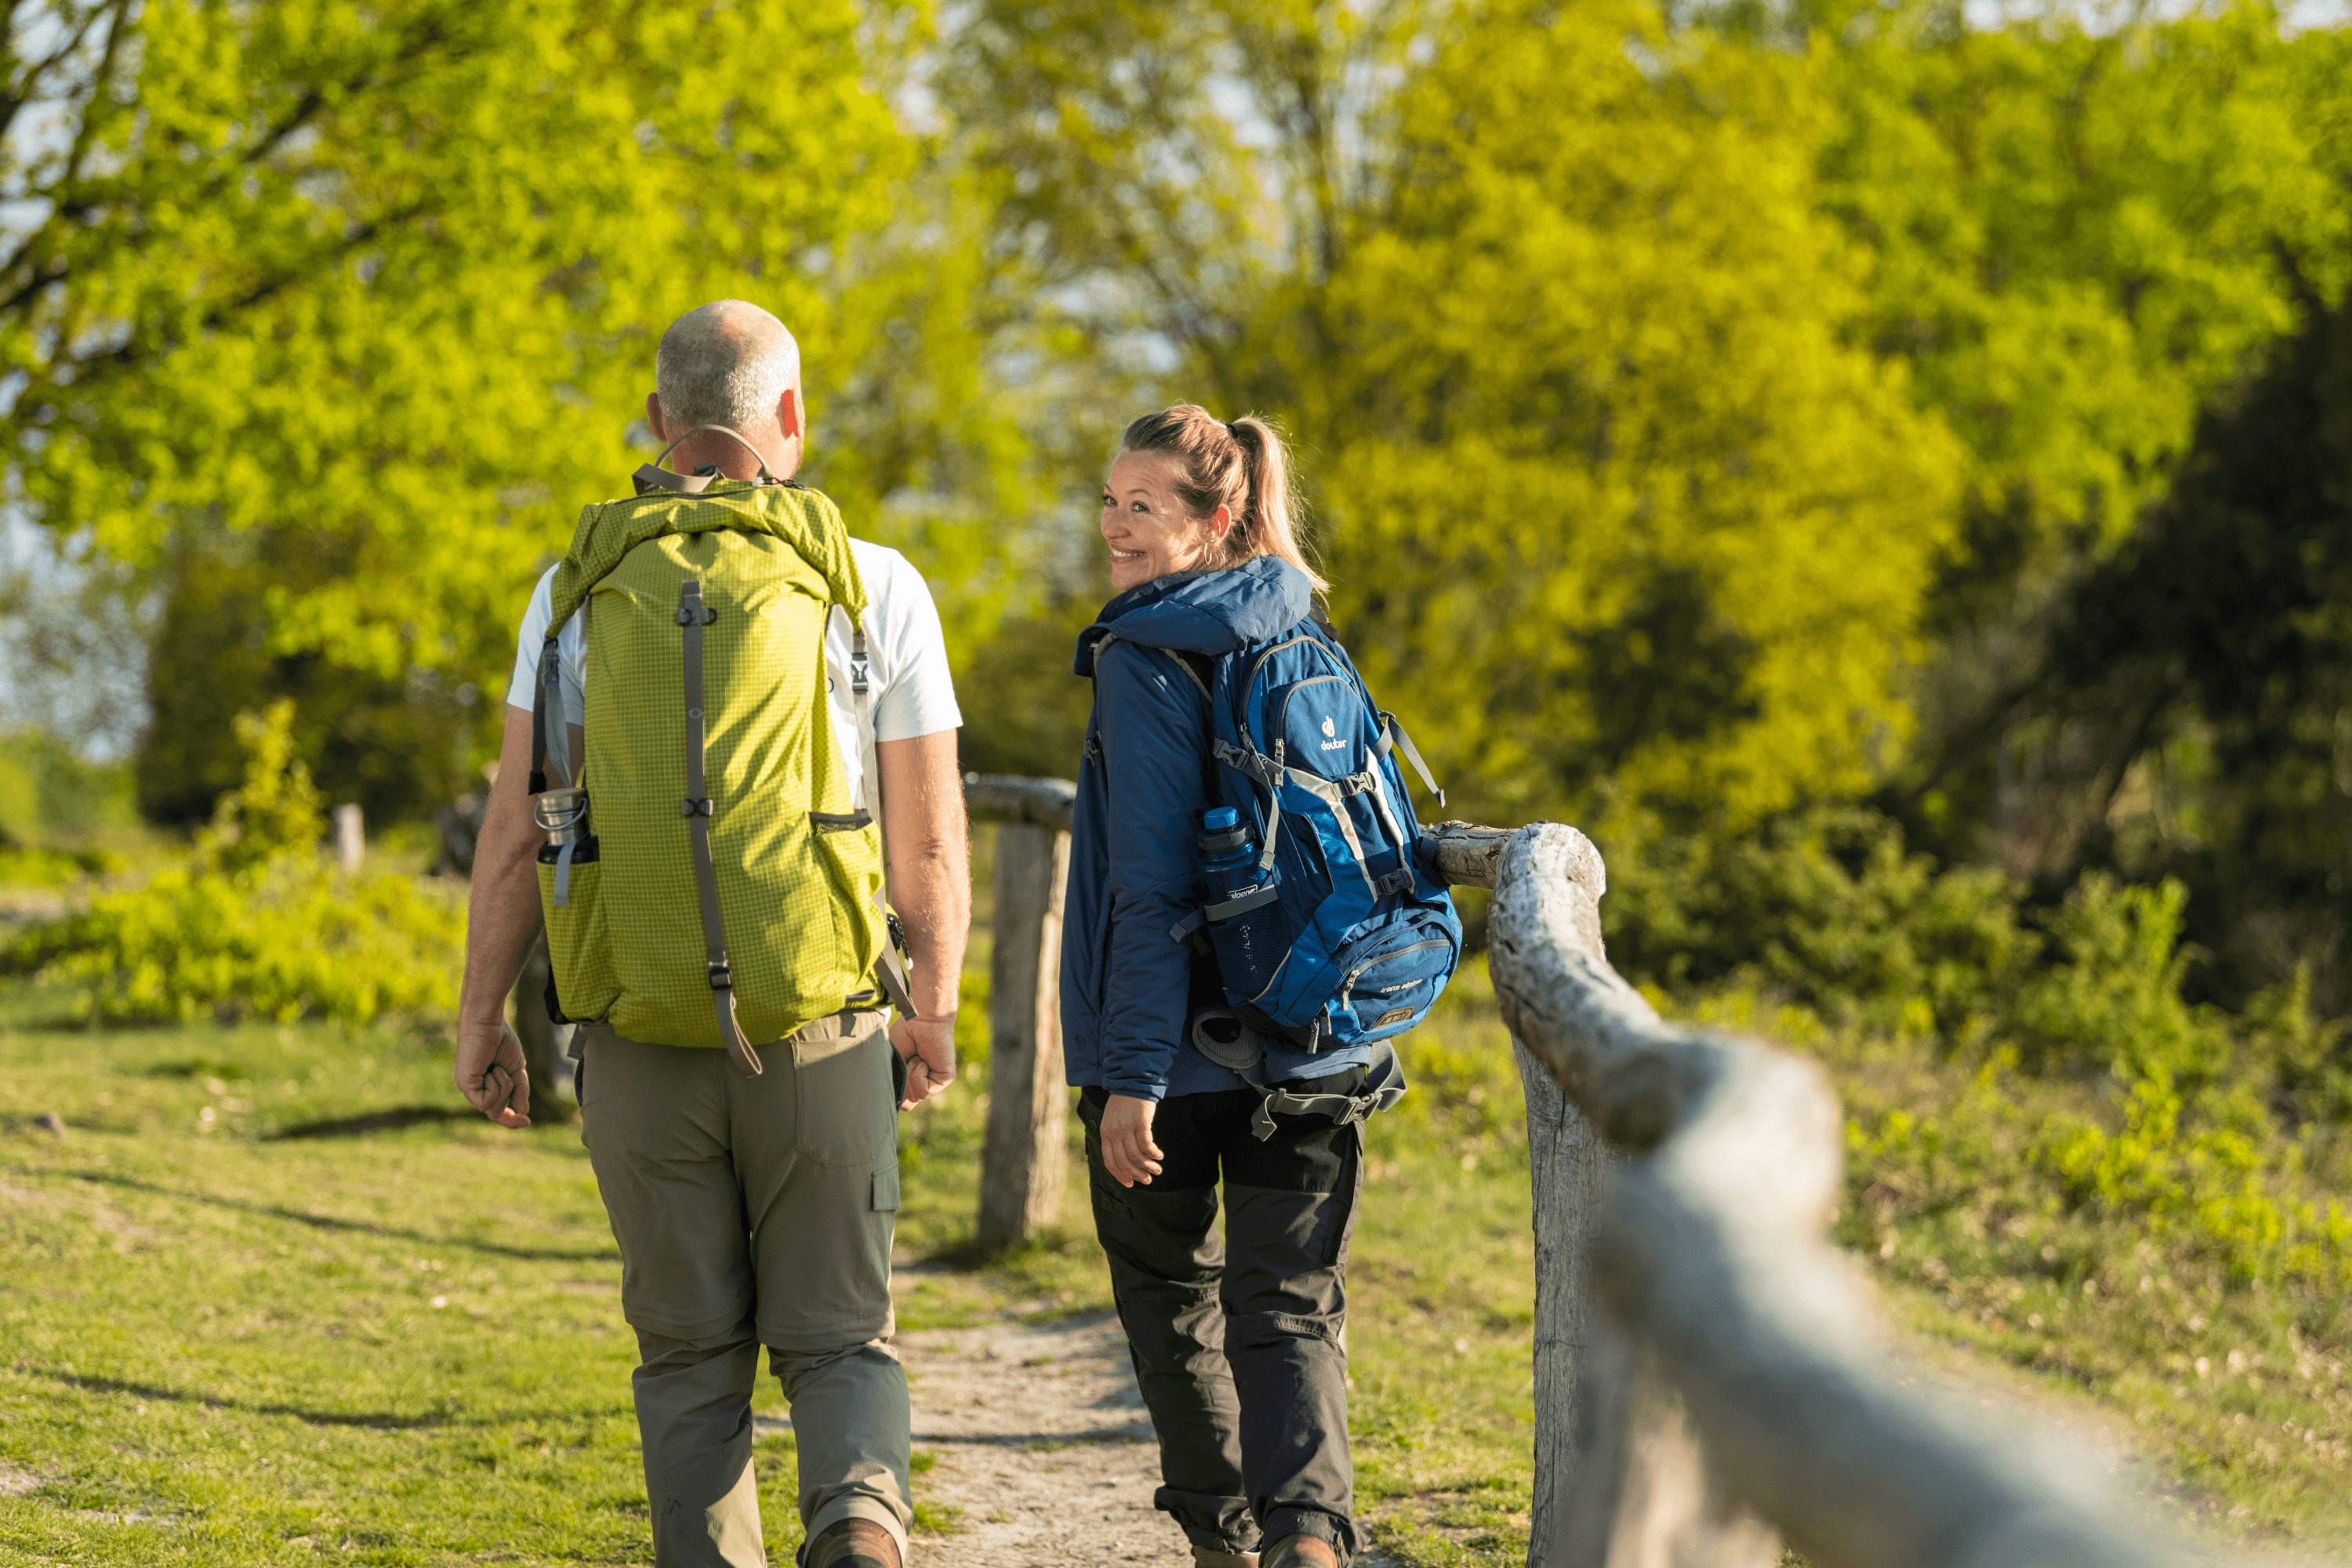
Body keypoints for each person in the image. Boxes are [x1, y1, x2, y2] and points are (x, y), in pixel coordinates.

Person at [452, 299, 970, 1568]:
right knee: (840, 1340)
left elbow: (518, 833)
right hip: (823, 1020)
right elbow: (930, 839)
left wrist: (479, 1019)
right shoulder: (873, 580)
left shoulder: (571, 587)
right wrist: (934, 1005)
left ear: (657, 422)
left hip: (636, 1028)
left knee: (689, 1358)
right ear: (788, 417)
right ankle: (857, 1531)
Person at [1062, 405, 1398, 1568]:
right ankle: (1309, 1539)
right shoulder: (1307, 630)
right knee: (1290, 1305)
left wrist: (1130, 1077)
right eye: (1108, 500)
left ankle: (1224, 1536)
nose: (1114, 527)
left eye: (1143, 506)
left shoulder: (1148, 653)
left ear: (1219, 517)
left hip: (1180, 1054)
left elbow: (1147, 893)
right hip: (1313, 1035)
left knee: (1168, 1293)